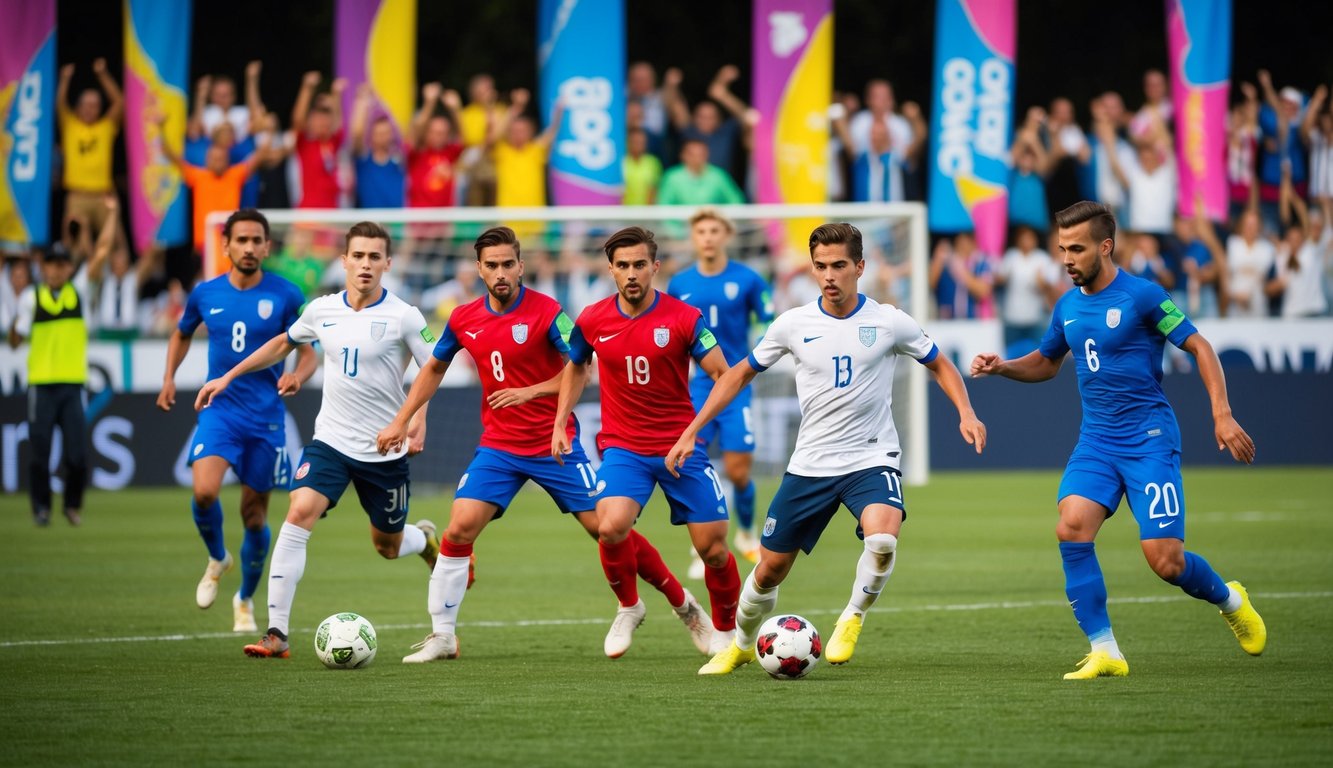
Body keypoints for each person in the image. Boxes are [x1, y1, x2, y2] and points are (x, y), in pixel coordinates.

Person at [376, 226, 709, 662]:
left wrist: (531, 393)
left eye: (508, 264)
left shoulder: (549, 313)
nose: (500, 273)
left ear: (521, 266)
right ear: (479, 269)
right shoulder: (463, 318)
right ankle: (443, 636)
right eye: (491, 265)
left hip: (556, 446)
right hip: (499, 447)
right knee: (458, 528)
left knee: (609, 529)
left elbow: (578, 368)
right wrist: (402, 419)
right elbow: (434, 368)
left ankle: (682, 603)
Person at [667, 222, 985, 675]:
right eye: (820, 267)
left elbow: (941, 364)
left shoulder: (889, 320)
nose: (829, 275)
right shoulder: (794, 324)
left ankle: (852, 616)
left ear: (859, 266)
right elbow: (736, 374)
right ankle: (738, 645)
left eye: (839, 266)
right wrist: (692, 428)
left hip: (871, 457)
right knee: (770, 569)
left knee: (882, 537)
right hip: (811, 464)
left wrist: (966, 412)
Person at [970, 201, 1266, 680]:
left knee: (1166, 563)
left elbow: (1199, 345)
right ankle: (1105, 649)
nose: (1066, 258)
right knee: (1071, 526)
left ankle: (1231, 599)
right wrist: (1003, 367)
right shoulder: (1067, 305)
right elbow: (1047, 362)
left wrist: (1222, 413)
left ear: (1105, 247)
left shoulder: (1143, 296)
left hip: (1149, 440)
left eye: (1077, 249)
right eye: (1062, 248)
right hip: (1097, 442)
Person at [194, 221, 441, 659]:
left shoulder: (405, 316)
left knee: (387, 545)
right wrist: (227, 376)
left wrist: (413, 419)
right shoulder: (321, 309)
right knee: (299, 511)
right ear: (344, 261)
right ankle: (277, 633)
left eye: (374, 257)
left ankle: (423, 541)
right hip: (330, 441)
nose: (365, 264)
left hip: (384, 451)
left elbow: (432, 369)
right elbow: (280, 345)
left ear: (388, 262)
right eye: (358, 256)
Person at [550, 226, 742, 659]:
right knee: (610, 526)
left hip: (679, 447)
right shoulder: (592, 319)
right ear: (611, 270)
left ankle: (727, 634)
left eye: (640, 265)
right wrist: (561, 421)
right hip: (625, 448)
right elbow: (576, 367)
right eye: (623, 266)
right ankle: (629, 606)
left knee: (712, 548)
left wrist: (693, 433)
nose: (632, 273)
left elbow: (724, 374)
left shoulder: (683, 318)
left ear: (655, 267)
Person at [156, 209, 314, 632]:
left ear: (266, 246)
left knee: (254, 518)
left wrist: (298, 374)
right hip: (221, 411)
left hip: (265, 419)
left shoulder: (286, 294)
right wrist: (169, 377)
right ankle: (217, 557)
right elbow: (182, 332)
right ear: (225, 245)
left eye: (256, 240)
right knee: (205, 492)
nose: (248, 248)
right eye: (240, 240)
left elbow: (309, 347)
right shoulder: (205, 294)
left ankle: (244, 598)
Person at [667, 210, 774, 570]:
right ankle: (704, 544)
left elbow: (768, 322)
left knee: (739, 470)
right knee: (690, 461)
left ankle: (745, 532)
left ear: (726, 235)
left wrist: (758, 353)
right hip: (698, 386)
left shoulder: (748, 280)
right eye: (701, 231)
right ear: (694, 237)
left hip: (736, 384)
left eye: (714, 230)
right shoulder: (680, 283)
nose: (708, 237)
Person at [9, 244, 93, 526]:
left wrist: (112, 214)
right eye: (51, 264)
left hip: (72, 384)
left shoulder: (77, 291)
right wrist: (16, 323)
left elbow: (101, 253)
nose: (56, 270)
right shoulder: (31, 299)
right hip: (42, 384)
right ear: (43, 268)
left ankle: (71, 505)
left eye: (61, 264)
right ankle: (42, 508)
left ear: (69, 268)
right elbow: (15, 339)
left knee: (77, 453)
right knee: (39, 452)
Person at [56, 59, 123, 244]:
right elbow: (60, 104)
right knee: (74, 245)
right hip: (77, 197)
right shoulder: (70, 125)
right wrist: (64, 80)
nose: (90, 109)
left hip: (103, 196)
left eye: (95, 105)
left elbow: (119, 102)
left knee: (115, 243)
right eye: (86, 104)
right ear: (78, 107)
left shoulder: (105, 127)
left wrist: (103, 75)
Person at [290, 71, 346, 209]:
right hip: (309, 214)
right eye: (319, 118)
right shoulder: (304, 143)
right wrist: (306, 89)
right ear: (310, 122)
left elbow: (338, 121)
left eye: (326, 118)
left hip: (332, 214)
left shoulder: (333, 143)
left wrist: (336, 95)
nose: (323, 123)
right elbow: (297, 120)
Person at [350, 84, 405, 208]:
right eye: (379, 134)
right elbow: (357, 134)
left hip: (396, 224)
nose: (384, 137)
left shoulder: (399, 160)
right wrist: (361, 102)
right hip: (370, 225)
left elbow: (398, 129)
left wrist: (380, 101)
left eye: (387, 133)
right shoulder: (363, 160)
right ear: (371, 136)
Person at [657, 139, 745, 207]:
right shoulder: (672, 177)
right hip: (680, 228)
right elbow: (663, 206)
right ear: (682, 155)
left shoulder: (718, 175)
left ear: (707, 155)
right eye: (692, 154)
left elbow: (736, 201)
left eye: (701, 154)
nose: (696, 158)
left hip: (711, 227)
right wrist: (674, 230)